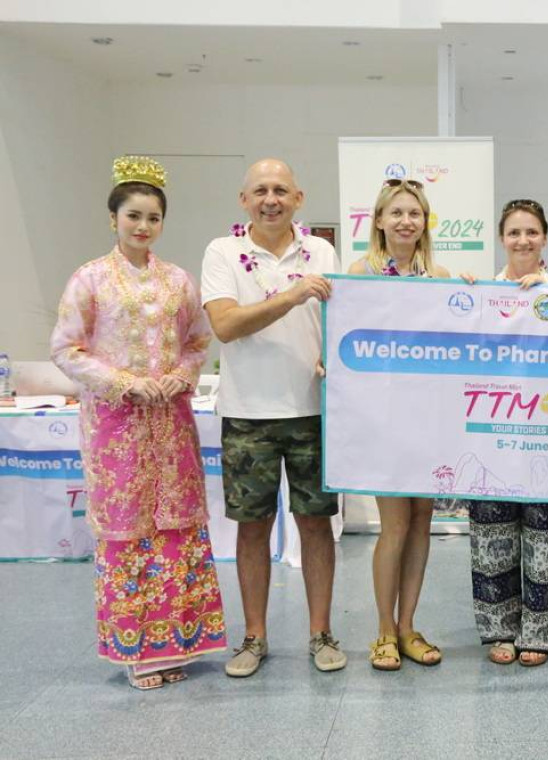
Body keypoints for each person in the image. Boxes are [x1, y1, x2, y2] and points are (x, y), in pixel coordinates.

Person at [51, 156, 226, 690]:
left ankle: (181, 640)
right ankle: (139, 651)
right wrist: (123, 382)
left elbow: (198, 341)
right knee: (129, 530)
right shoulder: (89, 279)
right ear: (114, 219)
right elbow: (66, 349)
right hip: (116, 427)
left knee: (176, 525)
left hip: (170, 423)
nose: (143, 226)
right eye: (133, 216)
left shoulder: (177, 281)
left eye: (153, 217)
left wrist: (179, 375)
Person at [200, 158, 345, 677]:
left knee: (316, 526)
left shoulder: (321, 252)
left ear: (298, 199)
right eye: (260, 190)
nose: (271, 199)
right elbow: (225, 325)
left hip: (311, 411)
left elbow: (337, 320)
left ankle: (321, 633)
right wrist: (291, 295)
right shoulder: (222, 252)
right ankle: (254, 636)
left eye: (281, 190)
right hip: (247, 415)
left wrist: (333, 356)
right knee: (252, 529)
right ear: (244, 200)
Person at [458, 199, 548, 666]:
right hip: (490, 437)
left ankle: (539, 630)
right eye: (514, 232)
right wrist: (463, 298)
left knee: (543, 536)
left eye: (531, 232)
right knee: (491, 536)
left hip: (545, 436)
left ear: (545, 237)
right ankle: (499, 629)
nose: (523, 240)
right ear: (501, 239)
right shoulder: (482, 293)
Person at [347, 178, 449, 671]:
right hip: (383, 419)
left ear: (425, 222)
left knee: (422, 519)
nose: (406, 221)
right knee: (395, 524)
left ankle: (408, 626)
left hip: (428, 417)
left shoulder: (441, 277)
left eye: (415, 213)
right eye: (397, 213)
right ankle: (384, 630)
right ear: (380, 221)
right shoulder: (360, 274)